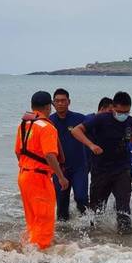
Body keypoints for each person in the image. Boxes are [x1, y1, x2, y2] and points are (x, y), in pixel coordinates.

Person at [71, 91, 132, 233]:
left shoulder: (131, 121)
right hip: (101, 170)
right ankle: (96, 240)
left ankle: (126, 240)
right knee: (96, 210)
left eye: (126, 112)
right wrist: (91, 145)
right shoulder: (101, 119)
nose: (123, 115)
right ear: (113, 108)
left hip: (122, 169)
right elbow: (76, 131)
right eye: (120, 111)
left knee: (123, 209)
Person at [15, 91, 69, 249]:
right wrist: (61, 177)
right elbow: (50, 155)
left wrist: (28, 167)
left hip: (24, 176)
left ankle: (28, 251)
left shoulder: (24, 125)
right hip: (39, 178)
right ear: (48, 106)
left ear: (32, 106)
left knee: (32, 220)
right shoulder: (46, 127)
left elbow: (18, 152)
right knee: (44, 222)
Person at [49, 88, 88, 220]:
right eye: (57, 101)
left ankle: (90, 227)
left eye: (63, 100)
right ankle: (65, 236)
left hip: (79, 167)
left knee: (81, 197)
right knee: (61, 205)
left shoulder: (79, 118)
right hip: (60, 169)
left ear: (69, 102)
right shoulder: (49, 122)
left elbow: (95, 129)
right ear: (53, 103)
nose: (60, 103)